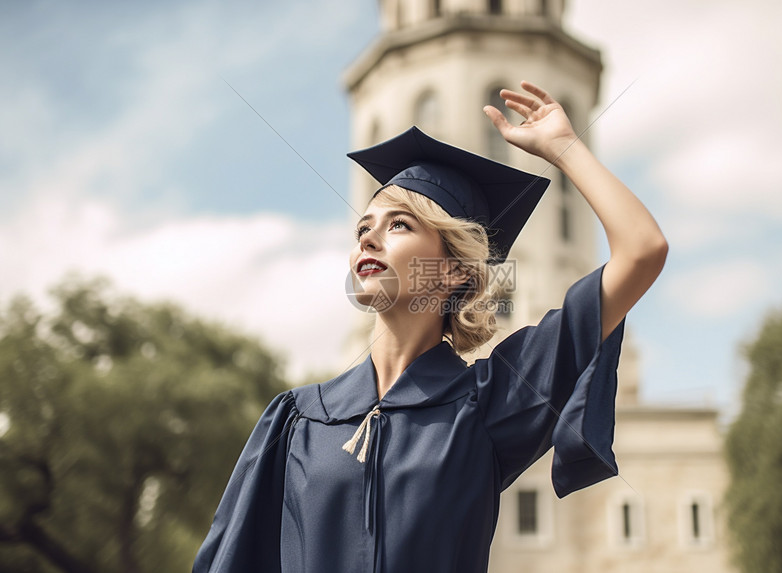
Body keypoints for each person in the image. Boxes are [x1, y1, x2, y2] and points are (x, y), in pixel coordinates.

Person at [192, 81, 667, 573]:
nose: (369, 237)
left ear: (455, 270)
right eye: (363, 228)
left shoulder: (491, 405)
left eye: (399, 224)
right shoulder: (296, 421)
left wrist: (564, 148)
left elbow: (642, 250)